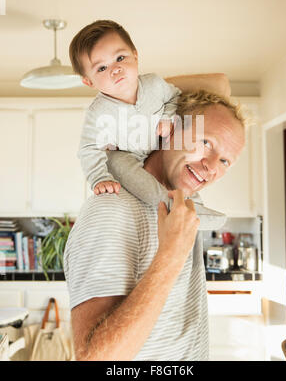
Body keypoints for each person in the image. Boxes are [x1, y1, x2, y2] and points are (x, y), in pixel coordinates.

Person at [63, 89, 246, 361]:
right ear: (170, 128)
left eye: (224, 161)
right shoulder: (110, 209)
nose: (210, 167)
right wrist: (170, 256)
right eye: (206, 142)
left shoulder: (182, 209)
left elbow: (220, 81)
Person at [69, 19, 231, 224]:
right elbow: (88, 149)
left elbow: (175, 97)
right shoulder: (99, 112)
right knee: (117, 163)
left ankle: (193, 203)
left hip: (160, 146)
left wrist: (168, 117)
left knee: (185, 150)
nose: (115, 69)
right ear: (89, 81)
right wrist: (99, 178)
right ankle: (169, 207)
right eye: (101, 68)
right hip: (128, 155)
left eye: (120, 57)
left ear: (135, 56)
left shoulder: (154, 84)